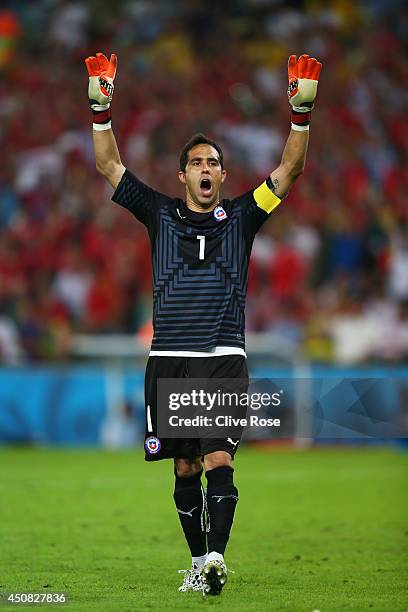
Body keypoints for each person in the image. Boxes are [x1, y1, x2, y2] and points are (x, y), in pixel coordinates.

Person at [84, 51, 322, 595]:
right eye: (197, 163)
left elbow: (289, 170)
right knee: (185, 467)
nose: (206, 170)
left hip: (222, 358)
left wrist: (300, 116)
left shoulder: (243, 214)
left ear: (222, 173)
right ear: (183, 174)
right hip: (169, 360)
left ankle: (217, 555)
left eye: (214, 162)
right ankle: (200, 563)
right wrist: (101, 109)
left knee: (218, 456)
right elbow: (108, 166)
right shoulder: (157, 212)